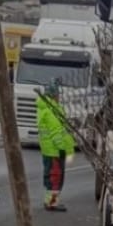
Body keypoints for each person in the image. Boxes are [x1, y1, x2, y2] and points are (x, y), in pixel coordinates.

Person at [36, 81, 75, 211]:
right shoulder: (51, 110)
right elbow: (57, 132)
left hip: (49, 150)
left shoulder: (45, 109)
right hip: (55, 151)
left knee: (51, 177)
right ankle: (52, 203)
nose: (59, 96)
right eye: (58, 93)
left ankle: (50, 201)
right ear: (54, 95)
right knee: (55, 177)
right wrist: (64, 149)